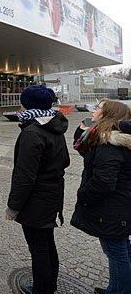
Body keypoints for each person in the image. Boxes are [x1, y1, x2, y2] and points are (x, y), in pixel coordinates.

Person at [6, 85, 70, 294]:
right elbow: (66, 160)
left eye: (22, 101)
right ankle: (49, 285)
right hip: (52, 194)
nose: (20, 105)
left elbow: (24, 176)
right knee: (47, 243)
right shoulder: (53, 125)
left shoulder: (32, 132)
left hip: (37, 199)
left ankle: (42, 289)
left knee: (39, 248)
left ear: (28, 104)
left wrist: (13, 207)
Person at [71, 100, 131, 294]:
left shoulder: (109, 144)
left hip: (112, 209)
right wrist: (82, 132)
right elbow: (88, 153)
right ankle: (119, 288)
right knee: (122, 248)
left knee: (116, 252)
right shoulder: (114, 138)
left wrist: (83, 194)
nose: (94, 110)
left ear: (108, 115)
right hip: (122, 206)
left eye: (98, 108)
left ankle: (119, 291)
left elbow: (104, 182)